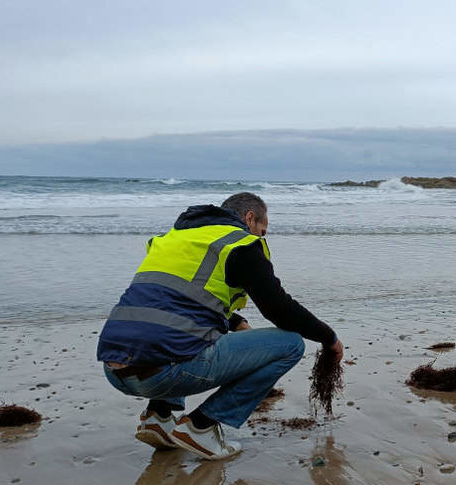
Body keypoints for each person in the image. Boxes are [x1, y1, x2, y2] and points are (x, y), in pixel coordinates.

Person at [97, 192, 343, 460]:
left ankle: (158, 416)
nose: (261, 237)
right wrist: (329, 338)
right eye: (262, 230)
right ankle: (201, 426)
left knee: (176, 332)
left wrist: (236, 321)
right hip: (164, 374)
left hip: (115, 370)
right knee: (291, 344)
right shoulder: (241, 244)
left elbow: (178, 299)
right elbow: (280, 310)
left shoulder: (175, 238)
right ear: (250, 218)